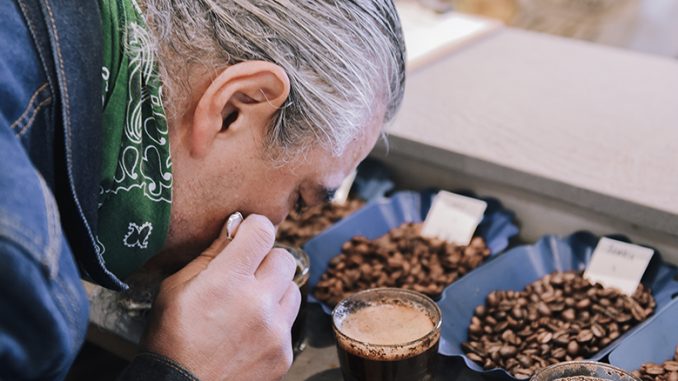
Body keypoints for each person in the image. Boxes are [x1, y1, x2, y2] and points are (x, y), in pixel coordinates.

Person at [0, 0, 405, 379]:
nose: (276, 231)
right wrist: (183, 368)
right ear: (233, 109)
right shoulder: (22, 270)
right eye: (298, 198)